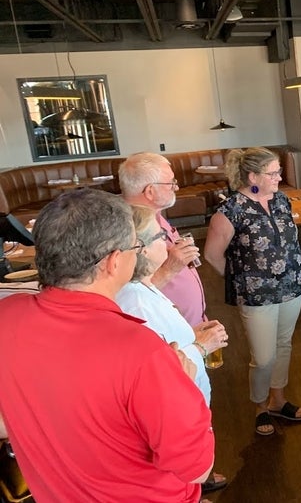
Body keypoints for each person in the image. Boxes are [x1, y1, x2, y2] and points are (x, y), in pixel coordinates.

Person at [0, 189, 215, 502]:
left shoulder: (7, 315)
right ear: (114, 261)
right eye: (135, 246)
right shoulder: (142, 351)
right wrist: (181, 385)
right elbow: (196, 469)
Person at [117, 205, 229, 494]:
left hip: (189, 396)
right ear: (139, 249)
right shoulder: (134, 301)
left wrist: (190, 334)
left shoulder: (143, 287)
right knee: (181, 474)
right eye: (158, 238)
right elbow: (157, 371)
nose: (166, 244)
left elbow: (164, 341)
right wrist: (201, 348)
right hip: (174, 413)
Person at [204, 147, 301, 436]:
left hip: (292, 287)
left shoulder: (282, 200)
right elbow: (212, 255)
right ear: (253, 176)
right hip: (256, 295)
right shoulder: (231, 210)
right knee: (263, 356)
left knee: (283, 345)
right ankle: (260, 406)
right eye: (273, 173)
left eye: (278, 171)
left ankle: (278, 399)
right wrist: (244, 278)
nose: (279, 176)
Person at [119, 152, 206, 327]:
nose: (176, 188)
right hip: (169, 338)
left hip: (191, 327)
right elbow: (127, 298)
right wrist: (169, 269)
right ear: (150, 191)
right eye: (171, 183)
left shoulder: (154, 214)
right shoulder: (124, 231)